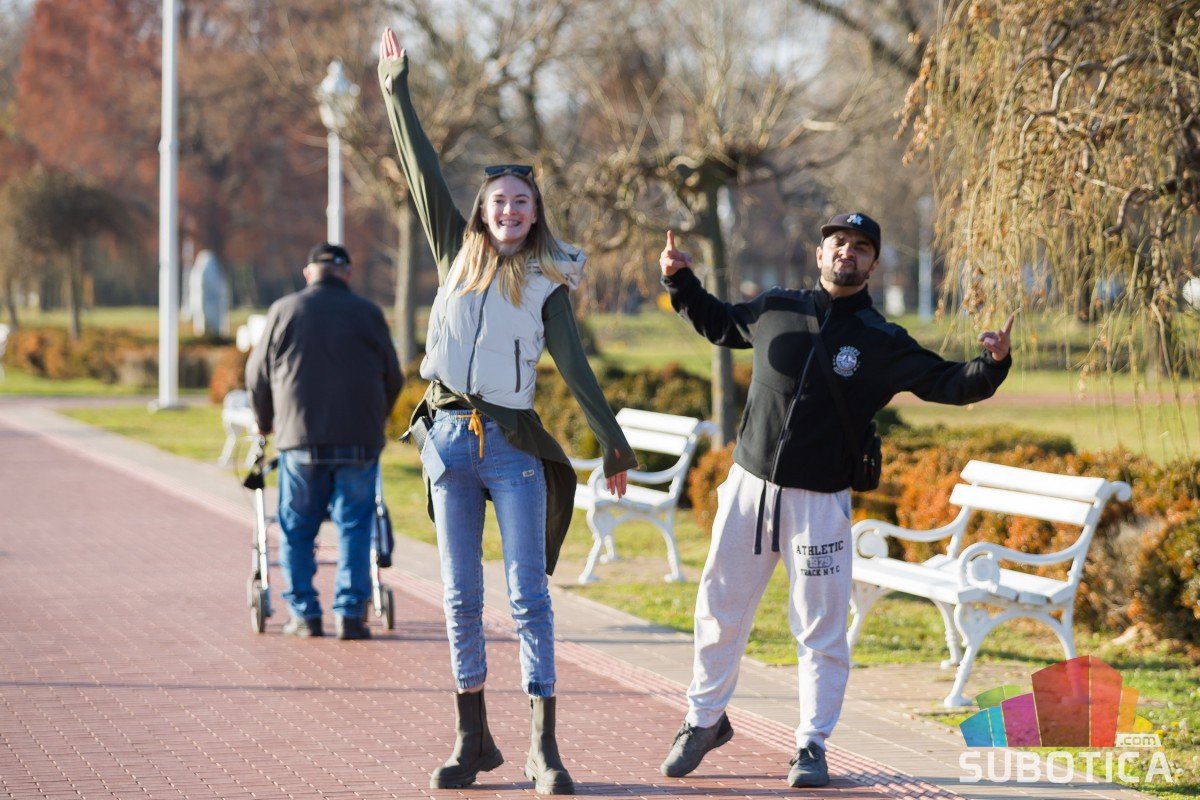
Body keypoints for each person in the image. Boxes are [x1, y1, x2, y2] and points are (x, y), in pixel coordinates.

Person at [657, 213, 1013, 788]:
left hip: (820, 503)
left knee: (820, 628)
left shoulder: (881, 339)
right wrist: (679, 280)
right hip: (749, 489)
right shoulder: (775, 308)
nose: (848, 252)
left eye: (861, 247)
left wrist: (992, 364)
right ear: (819, 254)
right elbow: (719, 323)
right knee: (720, 609)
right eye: (838, 242)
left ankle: (811, 744)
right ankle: (703, 720)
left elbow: (948, 382)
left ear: (873, 264)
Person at [377, 28, 637, 796]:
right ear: (483, 211)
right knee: (460, 598)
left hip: (514, 448)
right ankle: (473, 741)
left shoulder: (548, 280)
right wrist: (395, 88)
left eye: (523, 202)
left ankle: (543, 751)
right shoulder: (453, 249)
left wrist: (613, 444)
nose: (511, 211)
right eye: (499, 201)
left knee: (527, 597)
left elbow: (576, 368)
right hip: (448, 443)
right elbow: (421, 168)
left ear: (535, 212)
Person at [245, 243, 403, 641]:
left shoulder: (284, 310)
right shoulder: (368, 313)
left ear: (308, 273)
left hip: (299, 438)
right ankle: (350, 614)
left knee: (297, 528)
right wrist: (378, 416)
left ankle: (304, 614)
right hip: (359, 440)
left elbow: (257, 374)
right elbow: (394, 375)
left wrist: (264, 422)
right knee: (355, 527)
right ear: (347, 273)